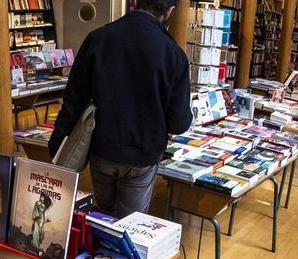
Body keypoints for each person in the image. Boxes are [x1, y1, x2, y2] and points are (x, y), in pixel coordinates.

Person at [49, 0, 192, 217]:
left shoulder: (98, 38)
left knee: (103, 216)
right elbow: (178, 123)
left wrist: (58, 142)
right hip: (143, 153)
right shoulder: (174, 54)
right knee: (130, 224)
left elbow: (74, 99)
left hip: (102, 147)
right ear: (169, 10)